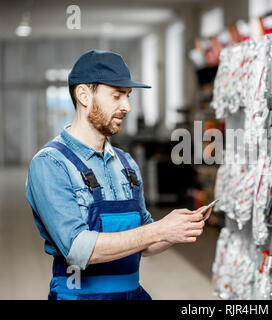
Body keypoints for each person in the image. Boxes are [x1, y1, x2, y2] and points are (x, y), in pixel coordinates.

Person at [25, 50, 211, 300]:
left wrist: (176, 229)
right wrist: (159, 230)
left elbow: (144, 243)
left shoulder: (126, 164)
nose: (127, 107)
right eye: (117, 95)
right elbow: (78, 249)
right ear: (83, 95)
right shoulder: (50, 164)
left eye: (128, 96)